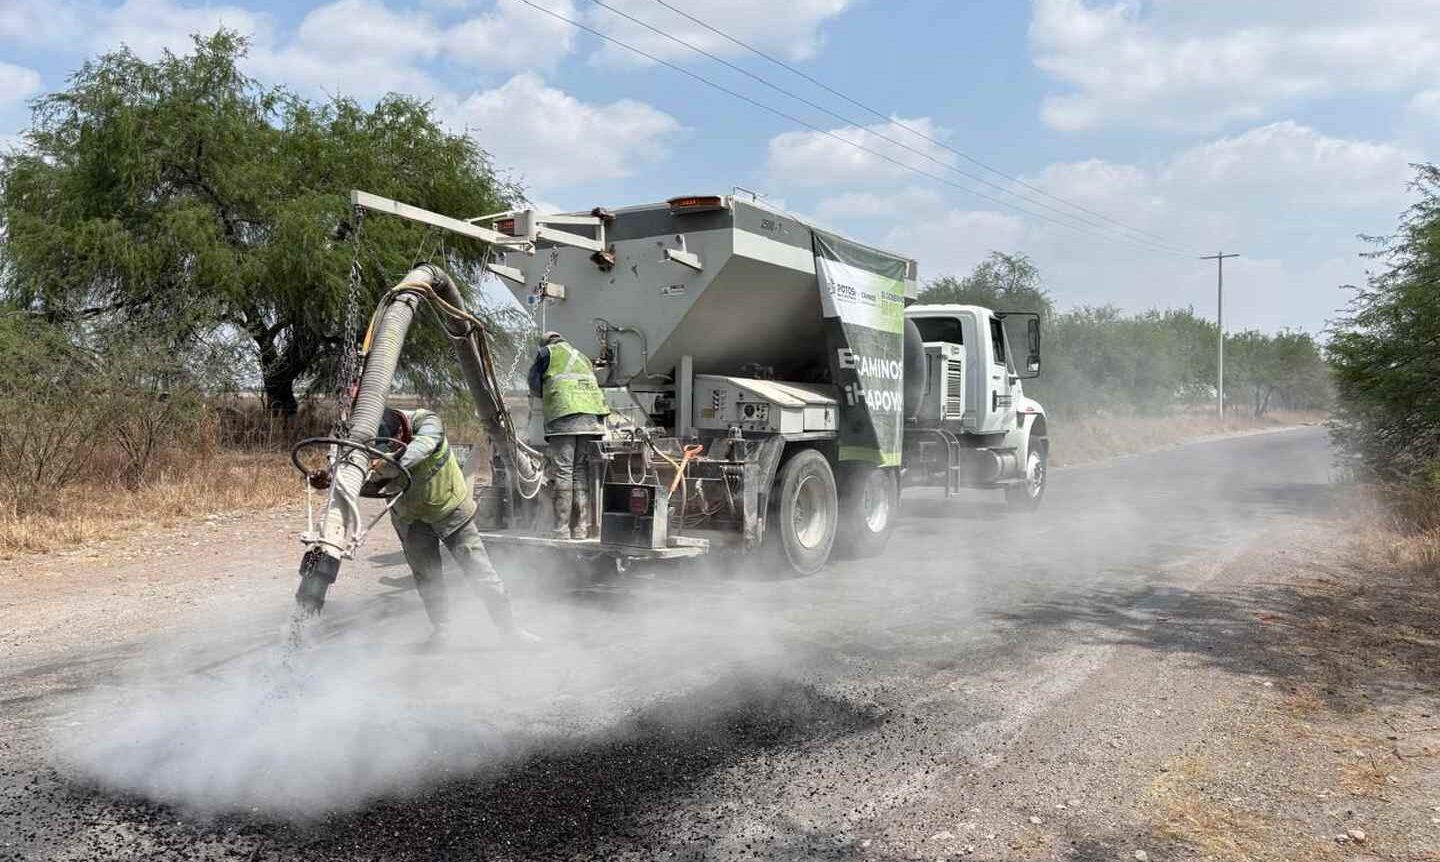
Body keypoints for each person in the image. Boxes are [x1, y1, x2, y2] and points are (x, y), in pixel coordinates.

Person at [318, 406, 539, 646]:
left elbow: (418, 451)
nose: (383, 455)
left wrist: (380, 465)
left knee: (481, 573)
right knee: (427, 578)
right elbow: (360, 483)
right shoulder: (368, 450)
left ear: (400, 431)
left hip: (450, 510)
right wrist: (333, 477)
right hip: (410, 519)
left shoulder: (426, 422)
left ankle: (510, 630)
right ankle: (443, 631)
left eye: (390, 447)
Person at [527, 331, 610, 539]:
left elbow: (534, 385)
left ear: (546, 343)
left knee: (563, 471)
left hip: (565, 414)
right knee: (580, 471)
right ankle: (581, 529)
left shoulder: (546, 353)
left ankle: (561, 530)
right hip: (592, 417)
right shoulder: (580, 355)